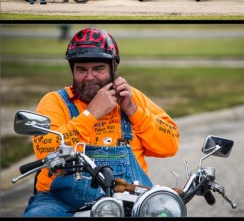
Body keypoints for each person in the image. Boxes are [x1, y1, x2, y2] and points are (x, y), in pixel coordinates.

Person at [22, 28, 179, 217]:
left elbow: (170, 146)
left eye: (98, 69)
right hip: (60, 201)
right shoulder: (55, 101)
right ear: (72, 69)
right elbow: (46, 151)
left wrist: (133, 110)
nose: (89, 77)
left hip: (130, 199)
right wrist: (92, 113)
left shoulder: (132, 98)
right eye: (81, 69)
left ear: (114, 68)